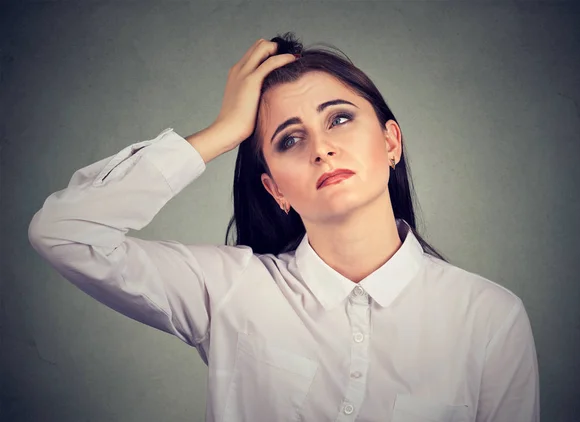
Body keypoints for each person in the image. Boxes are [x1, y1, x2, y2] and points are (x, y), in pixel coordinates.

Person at [28, 32, 539, 422]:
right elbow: (63, 232)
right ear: (275, 189)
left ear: (390, 143)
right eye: (290, 139)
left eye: (339, 119)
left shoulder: (489, 318)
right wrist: (223, 132)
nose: (321, 148)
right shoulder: (229, 291)